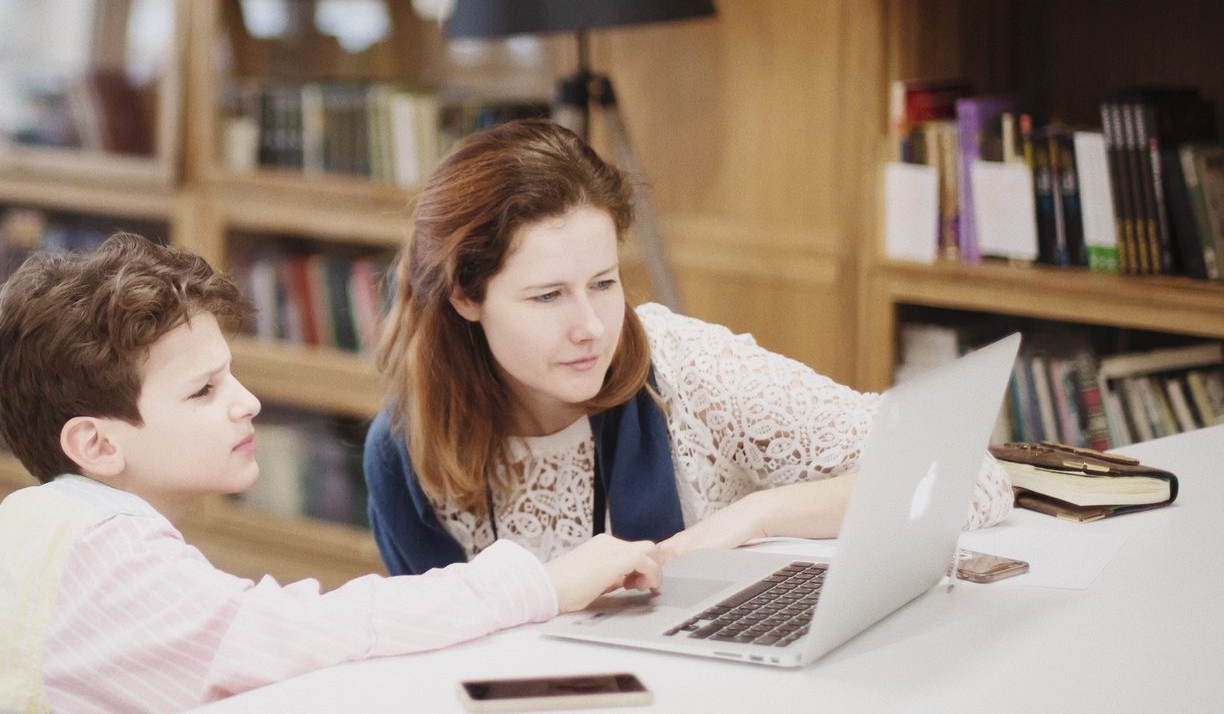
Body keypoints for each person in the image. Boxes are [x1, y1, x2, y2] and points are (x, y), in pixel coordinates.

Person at [0, 232, 662, 714]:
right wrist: (540, 581)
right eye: (203, 393)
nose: (247, 404)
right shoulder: (101, 557)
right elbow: (305, 635)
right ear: (95, 443)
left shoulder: (0, 535)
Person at [364, 119, 1013, 575]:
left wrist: (760, 514)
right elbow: (430, 654)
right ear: (465, 297)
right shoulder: (405, 451)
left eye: (603, 283)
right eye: (547, 297)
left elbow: (965, 474)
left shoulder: (681, 367)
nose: (591, 325)